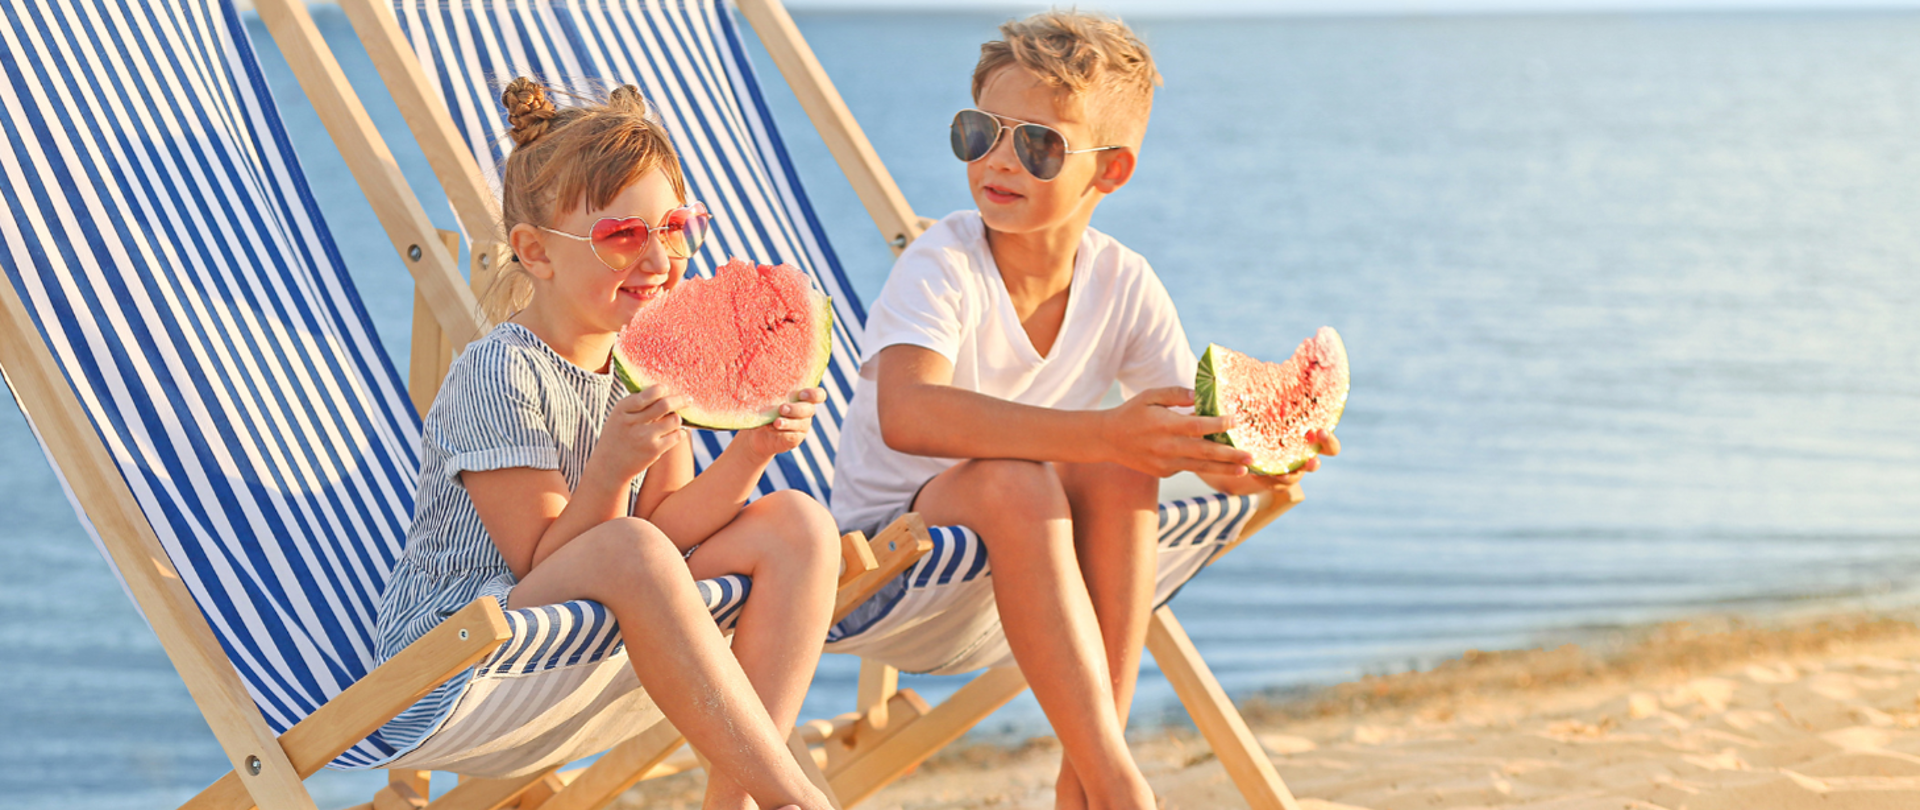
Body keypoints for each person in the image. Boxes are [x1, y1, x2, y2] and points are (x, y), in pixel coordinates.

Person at [829, 12, 1340, 809]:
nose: (999, 158)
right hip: (893, 557)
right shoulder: (942, 262)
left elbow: (1176, 439)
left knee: (1117, 473)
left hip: (1020, 559)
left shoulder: (1124, 283)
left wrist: (1258, 457)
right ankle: (1115, 782)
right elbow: (909, 414)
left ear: (1111, 172)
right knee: (1041, 474)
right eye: (979, 132)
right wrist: (1103, 432)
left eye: (1038, 143)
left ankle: (1084, 778)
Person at [375, 78, 837, 810]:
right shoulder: (500, 370)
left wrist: (753, 451)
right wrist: (614, 468)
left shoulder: (642, 357)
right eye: (622, 236)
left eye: (676, 227)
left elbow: (671, 523)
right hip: (456, 662)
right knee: (629, 547)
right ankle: (795, 799)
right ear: (535, 252)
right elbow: (543, 558)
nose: (658, 259)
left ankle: (739, 801)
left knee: (800, 524)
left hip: (587, 634)